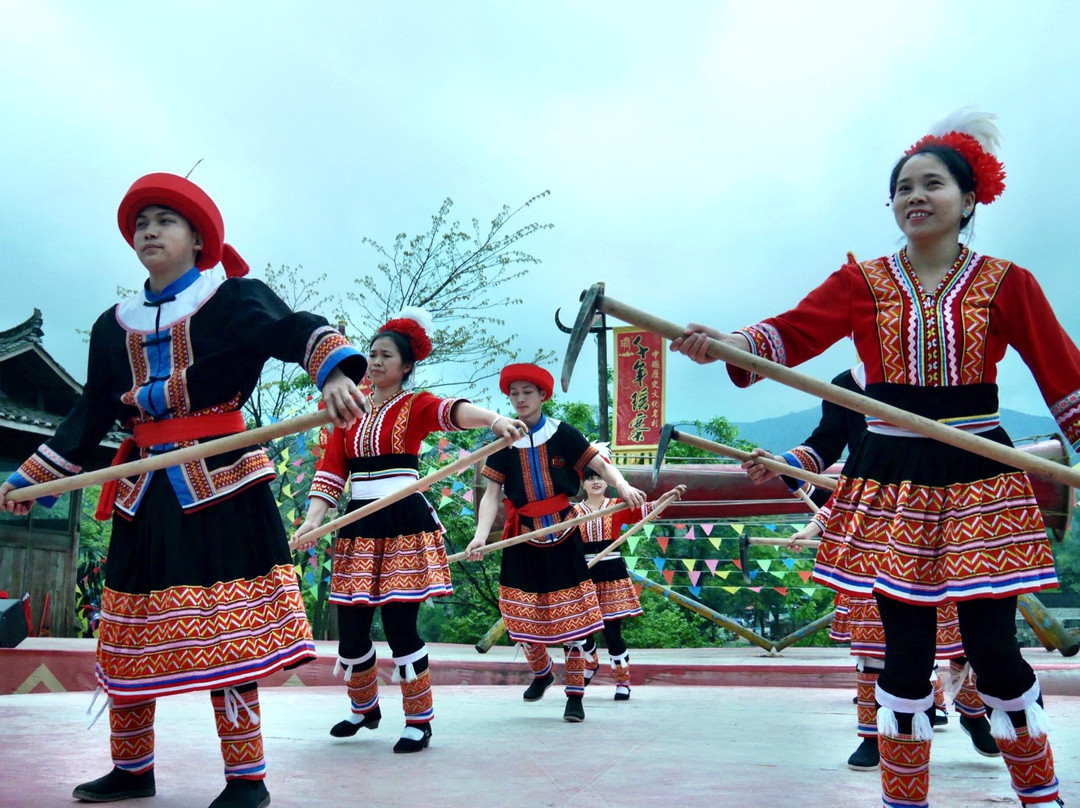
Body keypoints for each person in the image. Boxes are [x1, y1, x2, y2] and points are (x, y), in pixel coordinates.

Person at [672, 110, 1070, 807]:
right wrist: (727, 342)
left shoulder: (1010, 282)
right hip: (890, 481)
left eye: (933, 184)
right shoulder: (863, 281)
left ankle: (1039, 795)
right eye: (903, 187)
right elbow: (792, 332)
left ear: (970, 200)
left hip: (981, 477)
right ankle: (902, 799)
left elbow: (1063, 376)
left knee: (995, 651)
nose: (915, 197)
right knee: (905, 655)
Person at [0, 173, 368, 808]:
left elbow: (292, 331)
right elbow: (90, 414)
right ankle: (131, 770)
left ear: (199, 239)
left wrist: (332, 370)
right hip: (144, 490)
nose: (150, 230)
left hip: (223, 484)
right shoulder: (110, 327)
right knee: (127, 629)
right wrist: (29, 479)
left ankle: (246, 780)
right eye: (142, 222)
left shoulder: (232, 300)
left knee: (228, 629)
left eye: (166, 220)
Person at [292, 309, 527, 753]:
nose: (375, 362)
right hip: (359, 523)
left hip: (404, 523)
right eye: (372, 355)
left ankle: (419, 720)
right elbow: (330, 470)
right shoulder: (348, 410)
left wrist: (495, 421)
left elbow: (453, 412)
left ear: (406, 366)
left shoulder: (414, 405)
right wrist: (312, 521)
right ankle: (364, 708)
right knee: (353, 628)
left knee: (400, 626)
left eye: (385, 356)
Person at [743, 364, 998, 771]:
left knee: (963, 635)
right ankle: (872, 735)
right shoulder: (845, 384)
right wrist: (782, 463)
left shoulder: (941, 368)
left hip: (944, 510)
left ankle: (971, 710)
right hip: (876, 515)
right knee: (876, 641)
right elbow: (825, 443)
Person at [464, 364, 645, 723]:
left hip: (564, 532)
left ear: (542, 396)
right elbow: (491, 495)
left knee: (575, 616)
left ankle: (575, 695)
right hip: (522, 535)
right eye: (513, 394)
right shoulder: (503, 441)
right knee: (517, 612)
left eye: (526, 393)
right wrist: (481, 536)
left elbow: (602, 467)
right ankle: (542, 670)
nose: (519, 399)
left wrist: (622, 486)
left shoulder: (564, 434)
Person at [573, 460, 650, 701]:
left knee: (612, 632)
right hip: (583, 572)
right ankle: (590, 659)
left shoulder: (618, 505)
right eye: (590, 477)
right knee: (580, 629)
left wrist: (669, 497)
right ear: (582, 483)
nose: (596, 481)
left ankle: (623, 682)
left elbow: (649, 509)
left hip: (612, 572)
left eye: (600, 477)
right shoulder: (572, 512)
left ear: (607, 481)